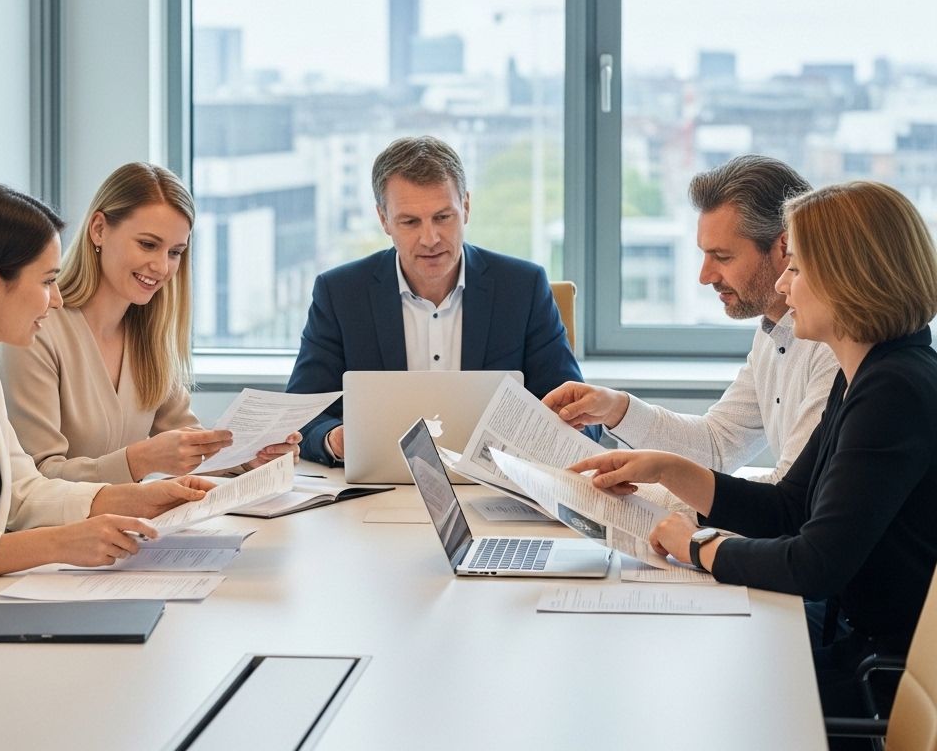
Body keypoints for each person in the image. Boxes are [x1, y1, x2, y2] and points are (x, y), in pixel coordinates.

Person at [572, 181, 937, 718]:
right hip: (856, 642)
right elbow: (791, 505)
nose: (786, 289)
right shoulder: (872, 371)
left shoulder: (893, 390)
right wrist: (668, 468)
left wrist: (698, 546)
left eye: (798, 269)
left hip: (875, 669)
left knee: (679, 691)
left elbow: (814, 563)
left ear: (846, 278)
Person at [0, 184, 216, 595]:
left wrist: (134, 500)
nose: (56, 300)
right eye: (47, 282)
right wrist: (58, 543)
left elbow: (22, 493)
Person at [288, 135, 585, 466]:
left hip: (495, 489)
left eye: (443, 217)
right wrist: (336, 439)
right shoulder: (340, 293)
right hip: (377, 491)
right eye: (410, 222)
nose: (430, 239)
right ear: (384, 220)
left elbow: (578, 416)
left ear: (466, 208)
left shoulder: (523, 288)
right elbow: (300, 415)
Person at [544, 154, 839, 485]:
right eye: (704, 254)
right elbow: (716, 447)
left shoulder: (836, 347)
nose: (705, 276)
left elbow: (789, 497)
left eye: (722, 257)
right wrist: (616, 409)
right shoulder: (773, 333)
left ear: (784, 247)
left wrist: (654, 501)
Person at [0, 163, 299, 483]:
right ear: (98, 229)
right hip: (62, 531)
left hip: (127, 527)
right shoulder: (37, 331)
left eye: (175, 252)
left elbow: (187, 441)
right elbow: (37, 478)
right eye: (148, 244)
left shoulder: (149, 335)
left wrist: (252, 456)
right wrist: (138, 461)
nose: (161, 266)